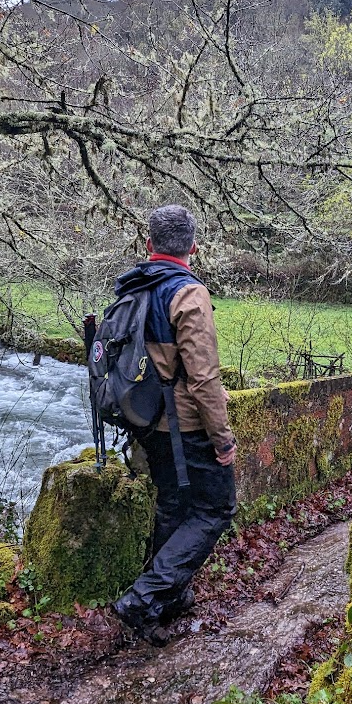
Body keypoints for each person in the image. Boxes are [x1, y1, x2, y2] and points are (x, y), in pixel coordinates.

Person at [112, 205, 237, 645]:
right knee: (214, 509)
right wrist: (222, 439)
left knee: (172, 506)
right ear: (194, 248)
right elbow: (203, 378)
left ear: (149, 245)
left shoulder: (134, 288)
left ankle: (170, 596)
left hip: (145, 420)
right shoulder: (188, 293)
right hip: (187, 425)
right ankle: (144, 598)